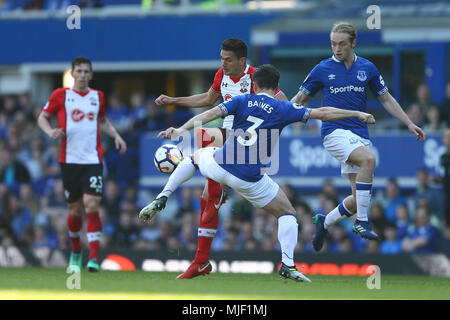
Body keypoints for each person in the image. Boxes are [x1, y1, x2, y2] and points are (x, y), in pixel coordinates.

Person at [139, 64, 375, 281]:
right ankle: (288, 264)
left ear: (255, 84)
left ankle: (164, 195)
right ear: (276, 85)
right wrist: (356, 114)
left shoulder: (242, 100)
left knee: (195, 156)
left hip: (221, 167)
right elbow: (323, 113)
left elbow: (208, 114)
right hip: (250, 179)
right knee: (288, 214)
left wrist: (180, 128)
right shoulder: (283, 107)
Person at [154, 38, 288, 279]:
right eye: (222, 58)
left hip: (245, 141)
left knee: (207, 157)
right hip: (227, 137)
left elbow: (285, 104)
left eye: (228, 60)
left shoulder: (258, 79)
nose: (223, 64)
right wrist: (175, 101)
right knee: (207, 197)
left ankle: (201, 259)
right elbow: (208, 100)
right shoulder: (221, 75)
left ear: (242, 61)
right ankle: (201, 261)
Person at [290, 22, 426, 251]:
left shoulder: (368, 68)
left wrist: (409, 123)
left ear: (353, 43)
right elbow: (300, 99)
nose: (337, 49)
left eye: (342, 44)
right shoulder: (322, 69)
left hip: (359, 134)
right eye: (333, 44)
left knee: (357, 199)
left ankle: (325, 221)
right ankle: (362, 222)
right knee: (369, 160)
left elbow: (386, 99)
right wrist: (278, 115)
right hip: (334, 133)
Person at [37, 56, 127, 272]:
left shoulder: (98, 97)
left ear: (91, 75)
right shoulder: (61, 95)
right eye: (80, 71)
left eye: (87, 71)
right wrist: (50, 131)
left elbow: (103, 121)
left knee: (92, 204)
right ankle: (76, 251)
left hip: (92, 160)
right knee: (75, 211)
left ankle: (94, 257)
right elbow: (42, 117)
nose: (83, 75)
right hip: (69, 161)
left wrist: (116, 136)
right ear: (73, 73)